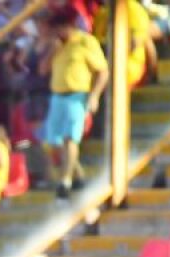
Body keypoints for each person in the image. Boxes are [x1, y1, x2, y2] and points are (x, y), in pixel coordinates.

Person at [44, 7, 108, 199]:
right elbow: (42, 69)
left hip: (76, 96)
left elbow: (103, 71)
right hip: (57, 96)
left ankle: (65, 181)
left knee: (71, 138)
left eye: (59, 28)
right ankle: (78, 175)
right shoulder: (55, 45)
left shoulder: (85, 42)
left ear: (69, 26)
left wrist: (94, 95)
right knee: (54, 143)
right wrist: (52, 52)